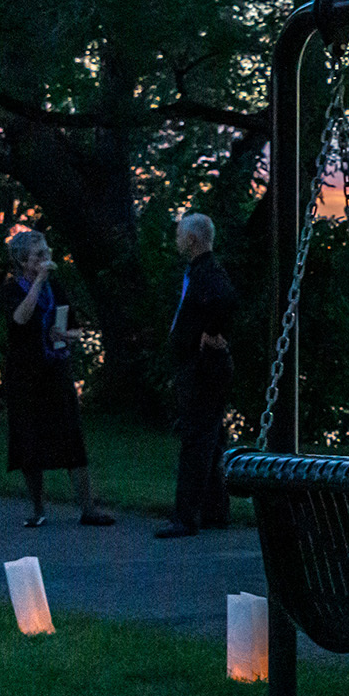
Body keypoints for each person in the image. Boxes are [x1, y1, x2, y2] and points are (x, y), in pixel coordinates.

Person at [0, 230, 115, 528]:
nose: (46, 258)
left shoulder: (57, 288)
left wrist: (67, 335)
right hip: (25, 376)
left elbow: (77, 329)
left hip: (56, 371)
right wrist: (37, 283)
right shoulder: (12, 290)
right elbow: (20, 319)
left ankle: (88, 508)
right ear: (24, 260)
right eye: (39, 255)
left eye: (47, 252)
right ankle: (38, 509)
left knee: (72, 436)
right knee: (29, 438)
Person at [157, 212, 236, 538]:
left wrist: (211, 333)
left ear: (192, 239)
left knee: (196, 438)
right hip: (200, 365)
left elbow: (226, 300)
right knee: (211, 437)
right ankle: (215, 509)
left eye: (180, 235)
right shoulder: (200, 272)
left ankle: (186, 516)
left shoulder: (208, 274)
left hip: (202, 367)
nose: (177, 240)